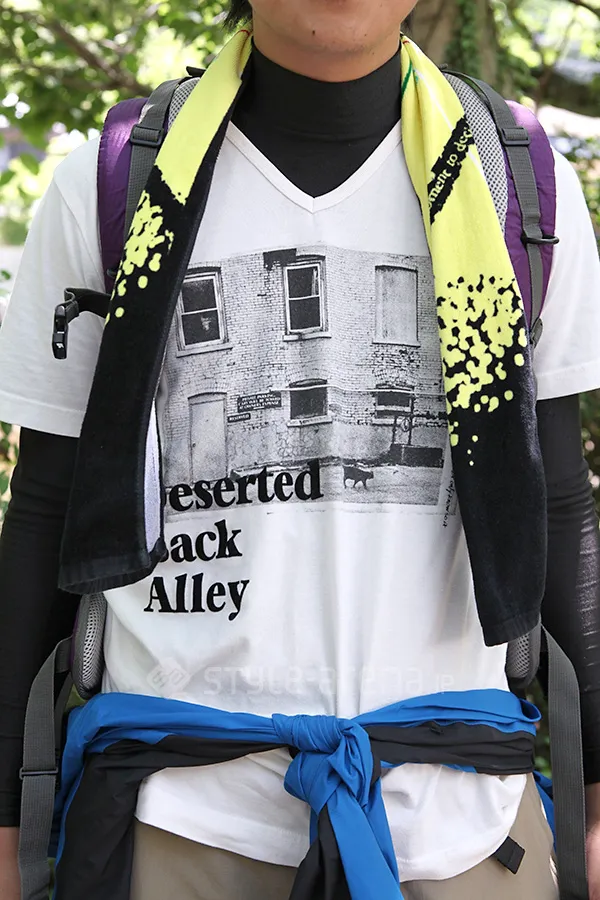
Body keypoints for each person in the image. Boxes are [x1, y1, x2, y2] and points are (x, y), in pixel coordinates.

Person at [1, 1, 600, 898]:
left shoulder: (515, 180)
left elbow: (560, 503)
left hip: (462, 819)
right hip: (175, 819)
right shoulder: (115, 179)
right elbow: (45, 510)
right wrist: (8, 824)